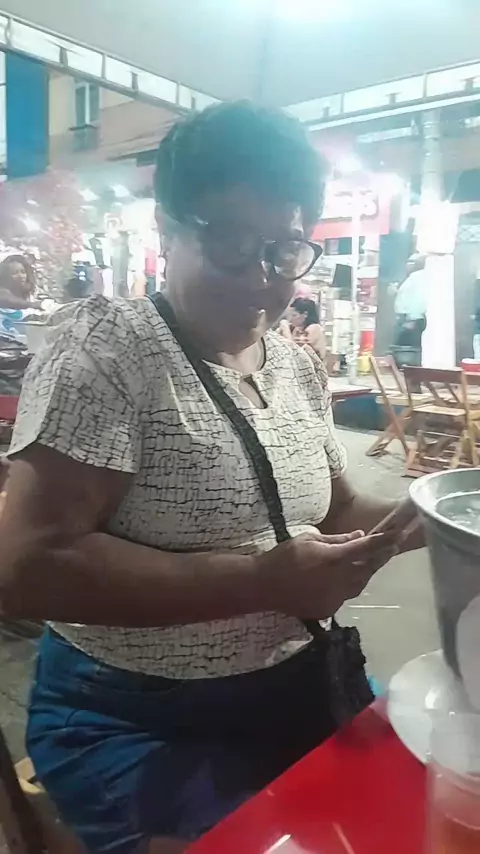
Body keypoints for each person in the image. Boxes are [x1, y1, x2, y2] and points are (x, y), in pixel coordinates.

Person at [0, 101, 422, 854]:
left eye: (283, 250)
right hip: (137, 718)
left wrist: (431, 517)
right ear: (167, 228)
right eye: (229, 241)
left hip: (299, 683)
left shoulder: (293, 364)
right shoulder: (108, 351)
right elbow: (27, 567)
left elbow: (334, 508)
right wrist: (264, 582)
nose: (259, 278)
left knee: (419, 806)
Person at [392, 253, 427, 367]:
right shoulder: (412, 277)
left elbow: (419, 300)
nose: (407, 265)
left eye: (411, 262)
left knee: (409, 348)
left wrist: (412, 319)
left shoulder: (419, 278)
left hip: (412, 319)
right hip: (407, 318)